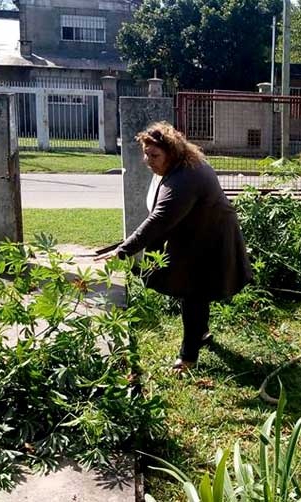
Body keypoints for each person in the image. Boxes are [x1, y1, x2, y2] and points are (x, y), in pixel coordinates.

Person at [97, 121, 252, 375]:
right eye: (146, 154)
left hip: (212, 239)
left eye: (154, 155)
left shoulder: (184, 179)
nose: (148, 160)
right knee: (196, 291)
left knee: (192, 292)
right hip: (201, 235)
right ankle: (200, 334)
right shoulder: (182, 165)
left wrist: (122, 251)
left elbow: (158, 220)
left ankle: (188, 357)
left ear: (171, 152)